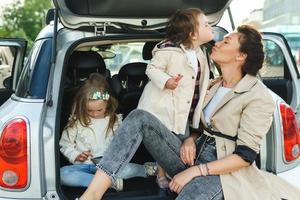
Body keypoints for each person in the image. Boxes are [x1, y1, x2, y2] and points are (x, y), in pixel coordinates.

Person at [78, 25, 300, 199]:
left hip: (223, 172)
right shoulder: (213, 84)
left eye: (226, 41)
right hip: (192, 153)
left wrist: (195, 171)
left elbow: (245, 156)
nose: (218, 42)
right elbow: (202, 124)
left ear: (240, 56)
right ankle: (92, 194)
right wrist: (191, 139)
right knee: (139, 118)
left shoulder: (257, 95)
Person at [137, 7, 213, 188]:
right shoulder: (168, 50)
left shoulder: (200, 52)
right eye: (206, 24)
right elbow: (151, 69)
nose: (210, 27)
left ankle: (172, 172)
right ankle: (161, 174)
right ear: (193, 34)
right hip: (162, 108)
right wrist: (166, 81)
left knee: (178, 140)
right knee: (164, 141)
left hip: (184, 110)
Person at [59, 73, 157, 191]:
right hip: (83, 167)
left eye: (99, 110)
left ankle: (147, 169)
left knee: (129, 169)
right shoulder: (76, 122)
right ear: (82, 105)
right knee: (62, 174)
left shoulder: (115, 120)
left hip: (110, 167)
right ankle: (109, 183)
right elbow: (65, 144)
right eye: (89, 110)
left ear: (107, 103)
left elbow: (124, 144)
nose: (94, 114)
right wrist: (75, 155)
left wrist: (115, 156)